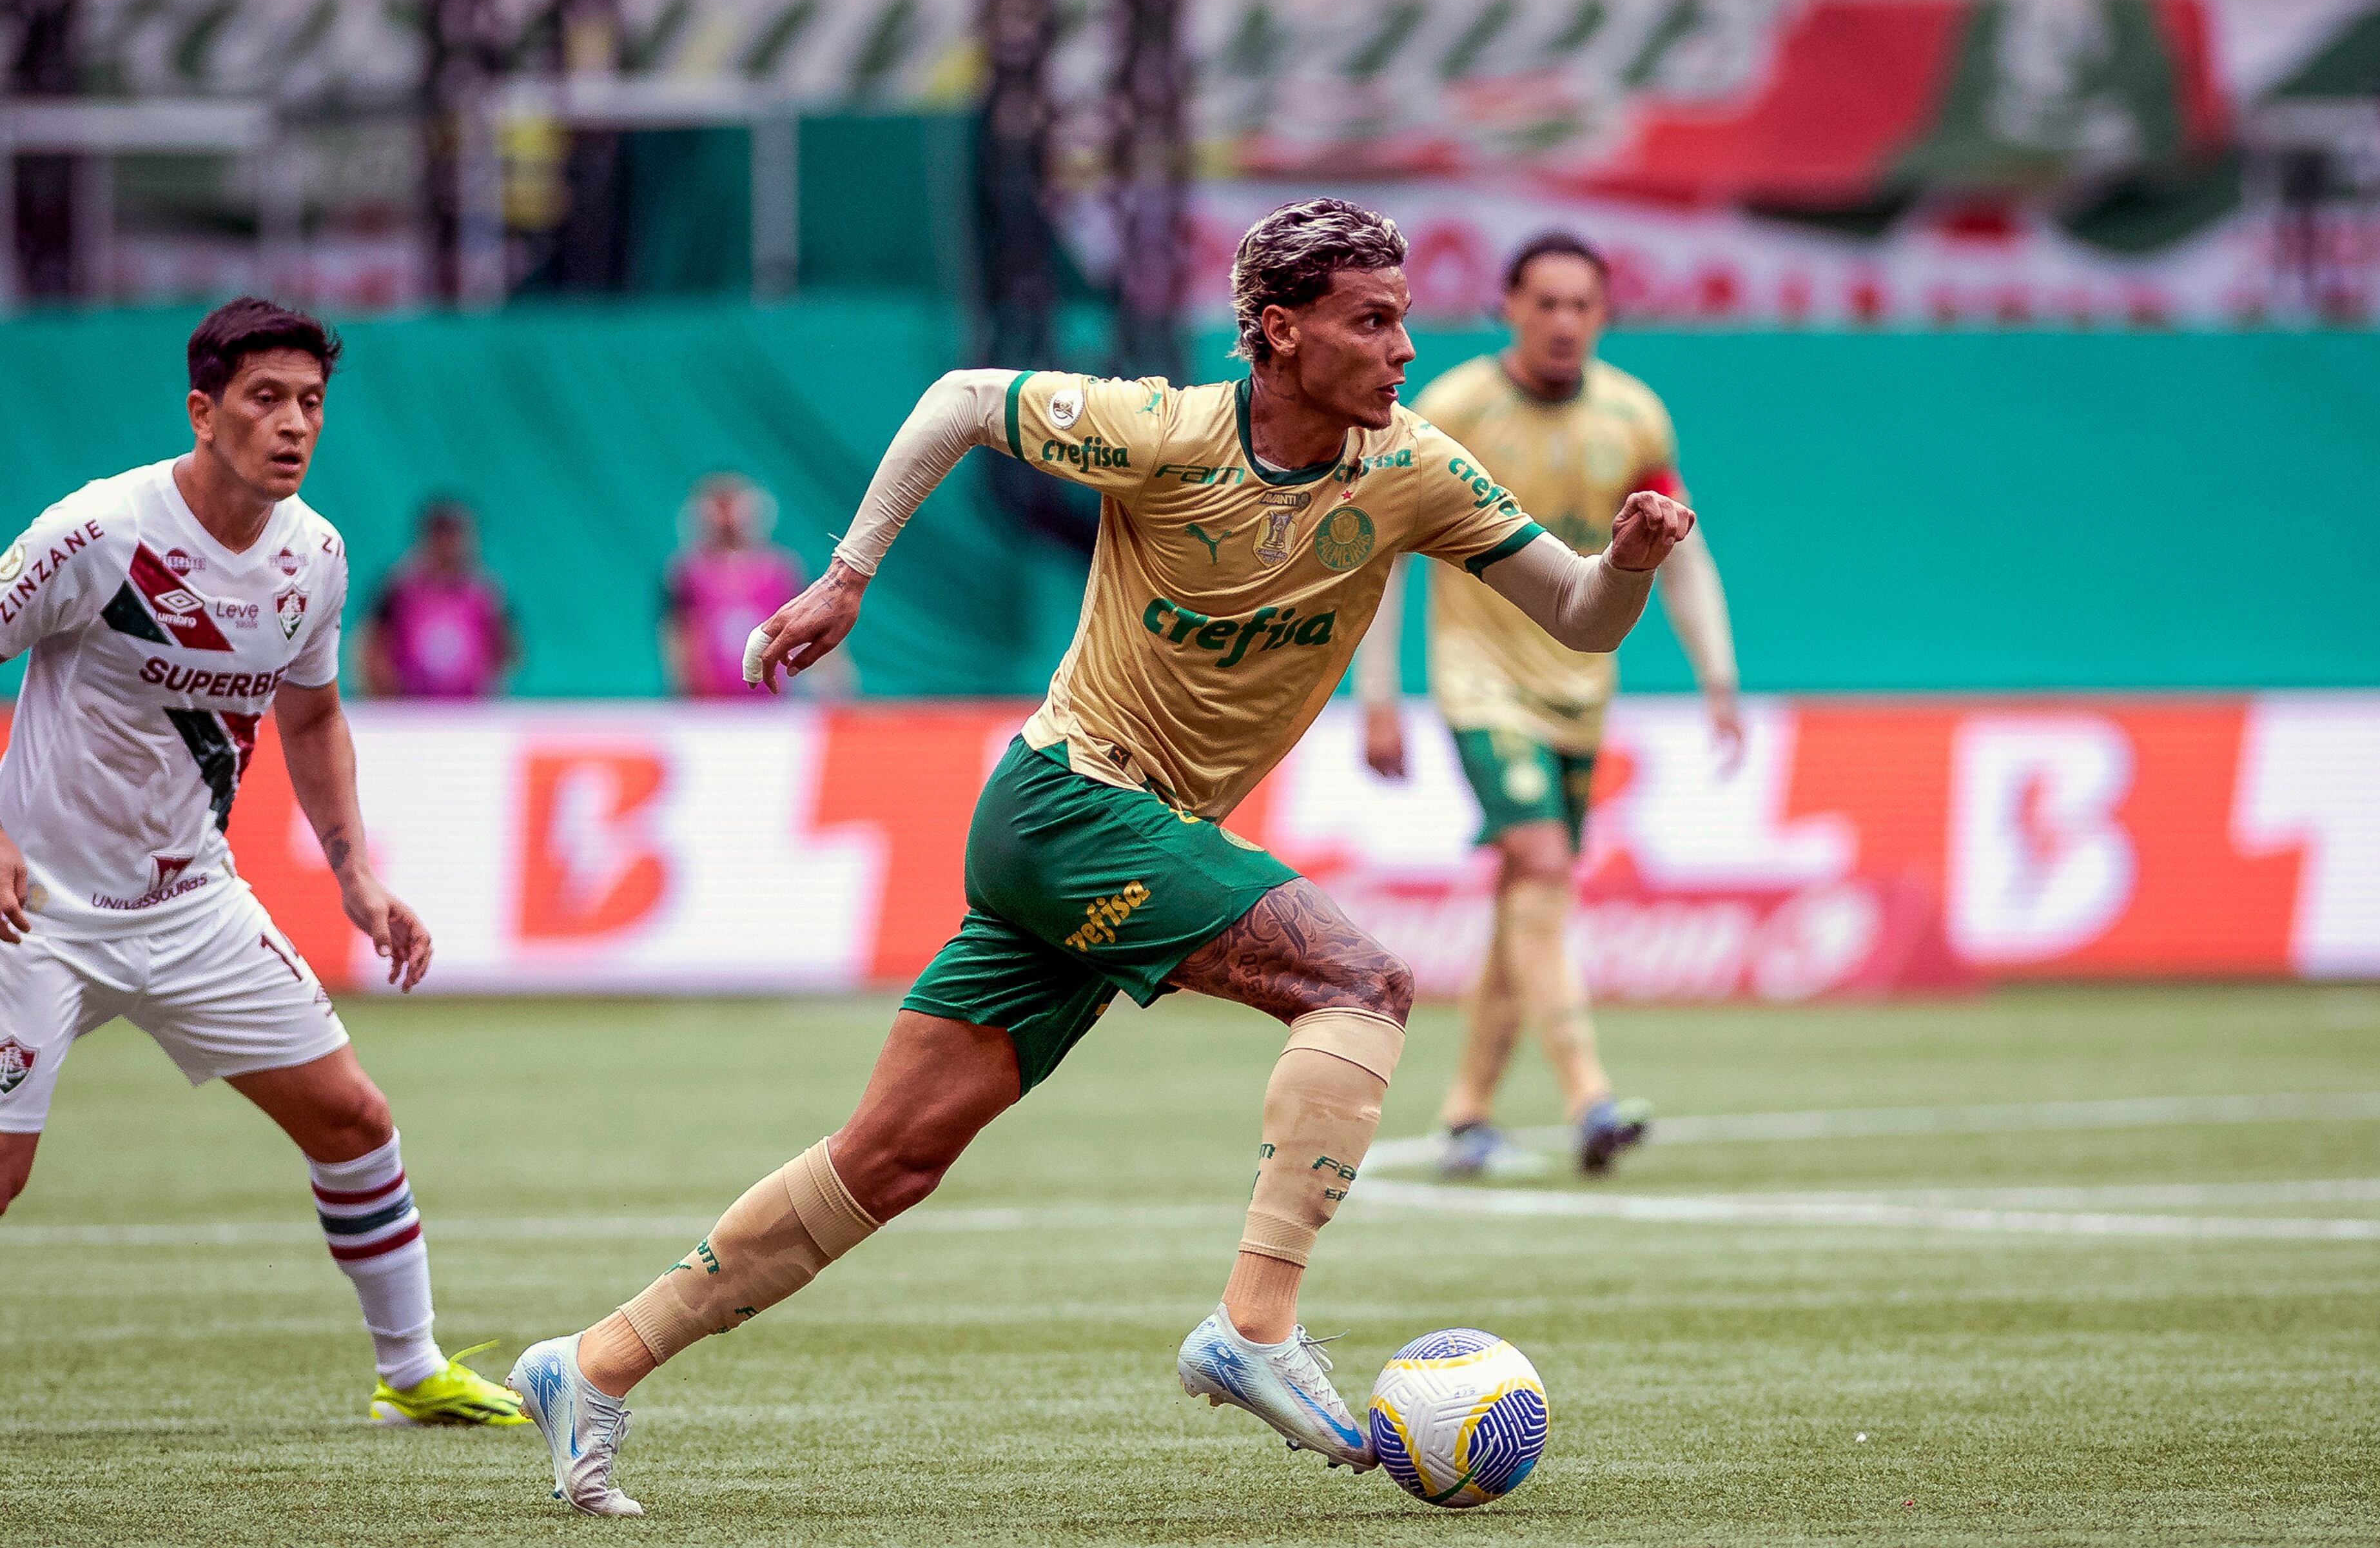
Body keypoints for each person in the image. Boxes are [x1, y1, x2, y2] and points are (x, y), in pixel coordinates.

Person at [504, 199, 1699, 1516]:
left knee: (888, 1158)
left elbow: (1582, 616)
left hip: (1118, 837)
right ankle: (1254, 1322)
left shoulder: (1413, 468)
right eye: (1374, 320)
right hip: (1067, 804)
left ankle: (593, 1361)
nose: (1405, 347)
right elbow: (962, 397)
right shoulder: (1171, 431)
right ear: (1281, 332)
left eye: (1405, 316)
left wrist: (1629, 563)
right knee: (1360, 982)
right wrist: (848, 576)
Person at [0, 297, 523, 1428]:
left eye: (313, 404)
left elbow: (316, 718)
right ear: (203, 411)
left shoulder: (318, 558)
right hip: (33, 911)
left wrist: (356, 874)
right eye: (266, 399)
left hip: (193, 909)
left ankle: (412, 1369)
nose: (295, 424)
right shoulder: (101, 533)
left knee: (354, 1120)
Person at [1354, 231, 1741, 1179]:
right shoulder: (1450, 411)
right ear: (1510, 308)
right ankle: (1589, 1095)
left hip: (1580, 687)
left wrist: (1719, 678)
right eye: (1546, 303)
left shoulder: (1634, 419)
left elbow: (1679, 548)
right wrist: (1376, 694)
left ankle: (1466, 1114)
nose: (1564, 322)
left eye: (1583, 305)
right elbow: (1380, 550)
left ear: (1603, 315)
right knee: (1541, 860)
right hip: (1478, 680)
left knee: (1526, 896)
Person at [355, 498, 519, 698]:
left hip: (470, 712)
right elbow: (370, 647)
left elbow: (510, 650)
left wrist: (490, 687)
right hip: (410, 711)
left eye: (454, 535)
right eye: (441, 534)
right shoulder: (399, 588)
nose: (448, 545)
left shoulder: (486, 592)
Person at [661, 473, 805, 700]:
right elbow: (678, 636)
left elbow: (806, 636)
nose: (726, 516)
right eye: (718, 505)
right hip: (709, 706)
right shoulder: (686, 573)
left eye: (733, 503)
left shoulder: (783, 569)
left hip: (773, 705)